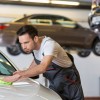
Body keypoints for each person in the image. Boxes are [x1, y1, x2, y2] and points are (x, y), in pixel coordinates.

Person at [3, 25, 84, 100]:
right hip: (55, 82)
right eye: (21, 43)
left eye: (26, 42)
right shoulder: (34, 46)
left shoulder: (49, 45)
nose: (23, 46)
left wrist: (20, 75)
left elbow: (43, 67)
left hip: (68, 81)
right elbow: (37, 59)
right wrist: (24, 72)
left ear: (35, 38)